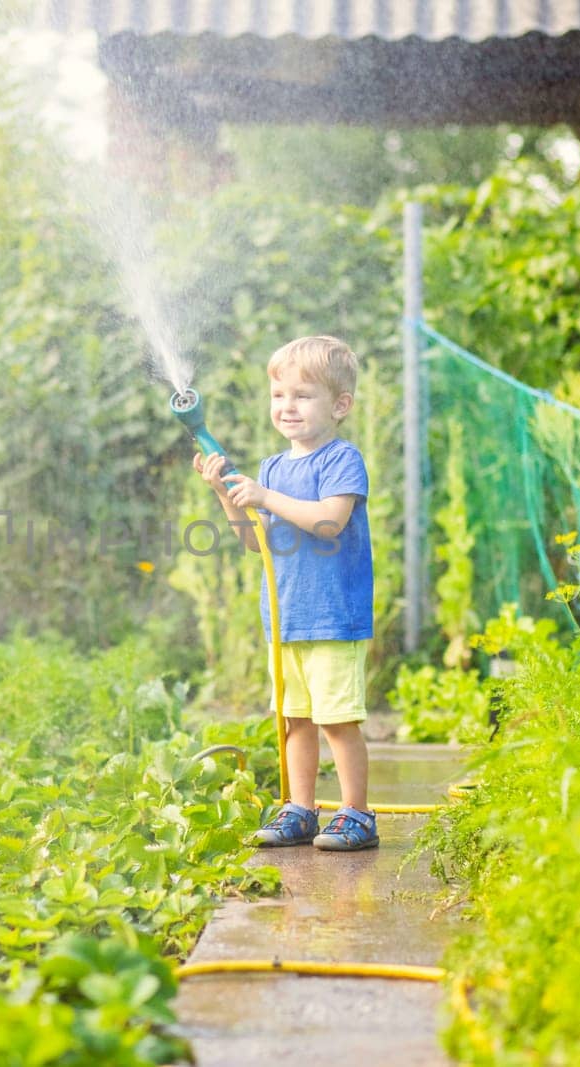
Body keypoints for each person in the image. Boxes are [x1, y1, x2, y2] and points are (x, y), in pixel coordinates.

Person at [194, 335, 378, 851]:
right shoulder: (273, 467)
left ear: (340, 405)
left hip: (333, 618)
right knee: (295, 720)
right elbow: (257, 541)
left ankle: (358, 815)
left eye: (303, 395)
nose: (287, 406)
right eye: (279, 396)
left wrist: (265, 494)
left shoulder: (341, 460)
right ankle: (301, 808)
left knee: (337, 721)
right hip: (286, 619)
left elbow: (328, 521)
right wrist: (227, 495)